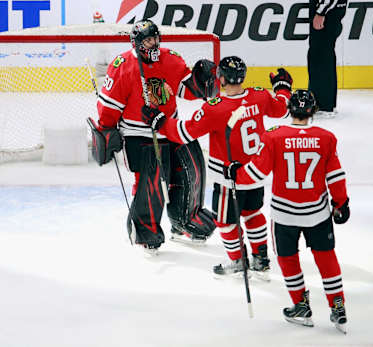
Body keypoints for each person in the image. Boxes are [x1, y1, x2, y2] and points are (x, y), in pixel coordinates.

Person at [143, 56, 293, 279]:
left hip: (228, 178)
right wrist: (282, 87)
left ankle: (236, 260)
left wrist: (159, 121)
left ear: (221, 79)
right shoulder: (259, 96)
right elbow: (283, 109)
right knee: (253, 213)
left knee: (225, 221)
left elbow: (184, 133)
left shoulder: (215, 108)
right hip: (256, 173)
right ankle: (260, 259)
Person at [224, 89, 350, 332]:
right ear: (313, 111)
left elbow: (256, 173)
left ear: (289, 110)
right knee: (326, 258)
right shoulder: (326, 137)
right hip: (318, 213)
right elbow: (335, 176)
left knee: (287, 259)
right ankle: (338, 306)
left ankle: (300, 306)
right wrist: (341, 203)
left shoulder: (274, 136)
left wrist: (235, 172)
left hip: (284, 215)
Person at [90, 19, 217, 253]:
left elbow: (185, 89)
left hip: (168, 126)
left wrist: (200, 83)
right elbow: (109, 108)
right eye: (148, 40)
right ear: (137, 43)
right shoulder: (123, 65)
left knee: (193, 163)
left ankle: (185, 219)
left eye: (156, 38)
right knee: (154, 176)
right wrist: (106, 129)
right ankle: (144, 227)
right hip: (139, 133)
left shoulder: (170, 58)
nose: (154, 43)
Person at [308, 0, 347, 118]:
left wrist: (321, 12)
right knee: (318, 55)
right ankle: (321, 103)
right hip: (328, 10)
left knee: (322, 56)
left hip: (328, 12)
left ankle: (324, 105)